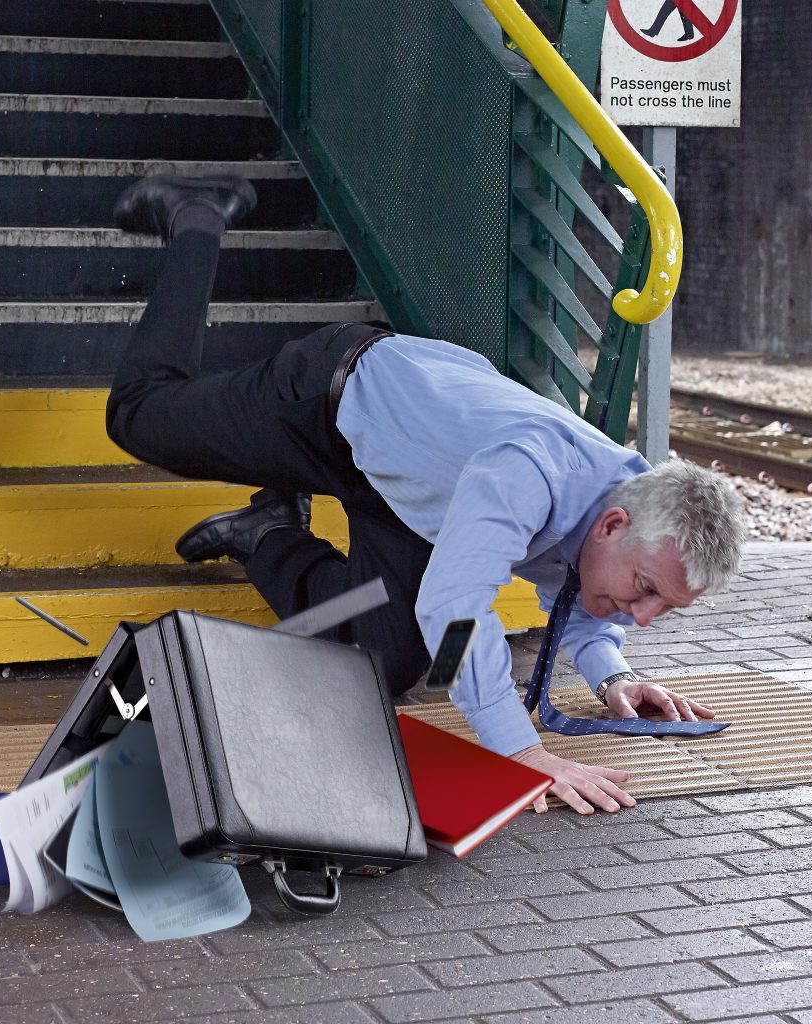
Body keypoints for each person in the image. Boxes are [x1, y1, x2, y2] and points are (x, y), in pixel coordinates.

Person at [105, 175, 746, 815]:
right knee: (136, 416)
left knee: (389, 663)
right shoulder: (532, 474)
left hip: (418, 489)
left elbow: (578, 588)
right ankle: (197, 216)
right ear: (611, 525)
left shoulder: (624, 502)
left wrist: (613, 676)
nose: (641, 616)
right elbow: (458, 603)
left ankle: (267, 531)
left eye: (664, 606)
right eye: (648, 590)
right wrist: (523, 754)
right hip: (328, 403)